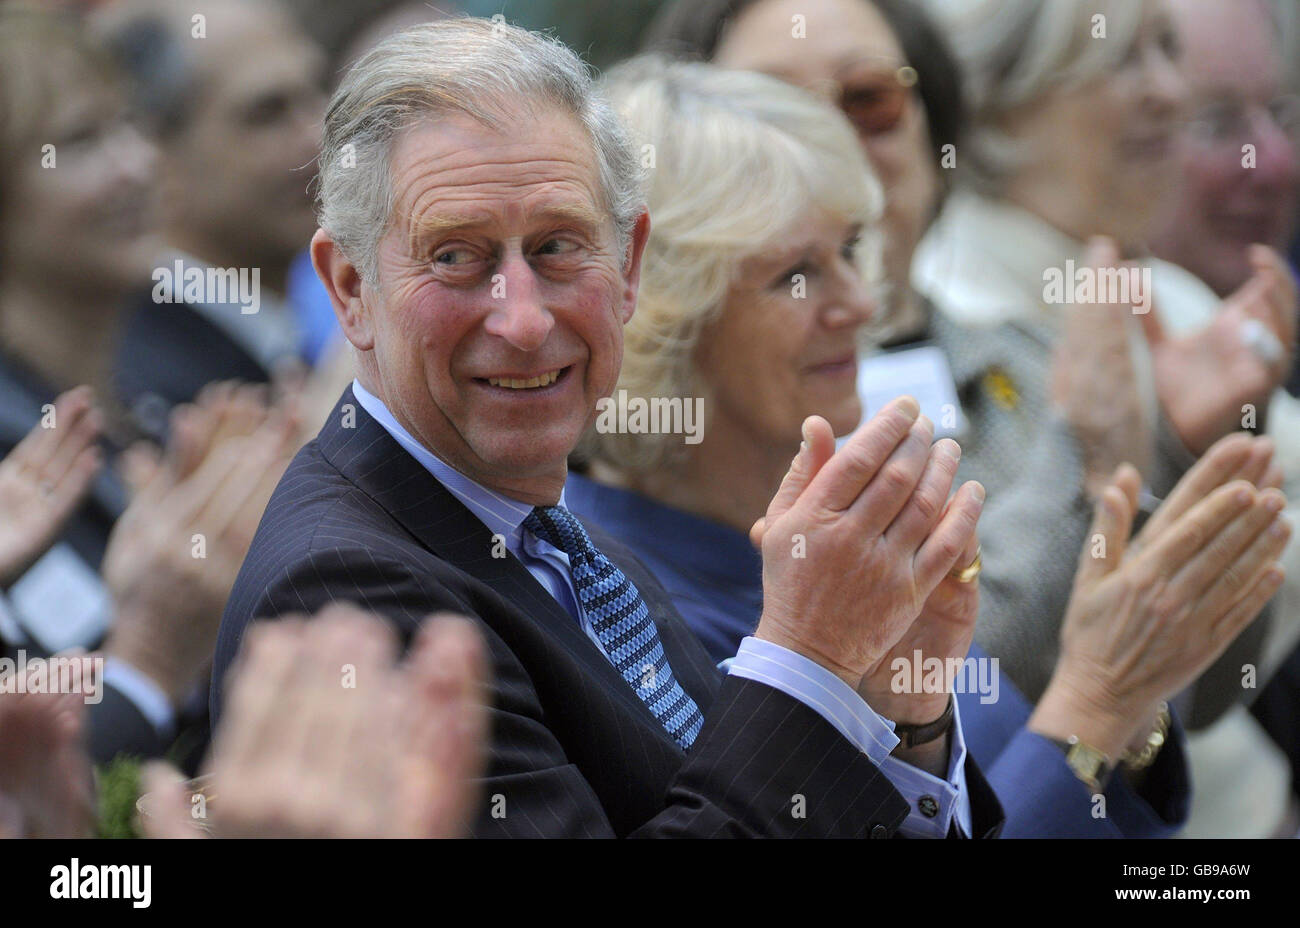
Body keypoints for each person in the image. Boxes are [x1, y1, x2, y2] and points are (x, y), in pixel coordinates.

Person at [215, 17, 1004, 839]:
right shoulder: (353, 587)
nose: (521, 320)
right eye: (456, 257)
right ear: (349, 289)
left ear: (629, 267)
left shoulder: (549, 531)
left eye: (557, 247)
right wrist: (813, 666)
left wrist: (896, 717)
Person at [570, 56, 1290, 838]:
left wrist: (1128, 708)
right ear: (668, 317)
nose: (858, 299)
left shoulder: (848, 519)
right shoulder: (613, 604)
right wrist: (1097, 710)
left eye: (851, 248)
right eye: (797, 275)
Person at [92, 0, 332, 438]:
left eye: (319, 91)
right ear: (154, 151)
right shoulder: (153, 393)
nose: (319, 136)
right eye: (267, 113)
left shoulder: (281, 341)